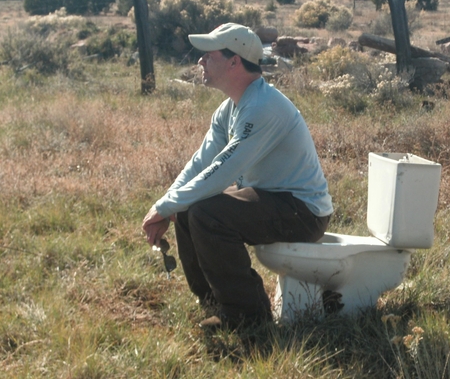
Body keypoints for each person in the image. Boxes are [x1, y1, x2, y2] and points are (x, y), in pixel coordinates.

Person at [141, 23, 333, 329]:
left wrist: (166, 208)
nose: (200, 60)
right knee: (190, 206)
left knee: (205, 212)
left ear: (234, 61)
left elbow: (222, 172)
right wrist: (167, 204)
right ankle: (215, 302)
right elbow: (200, 165)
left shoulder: (261, 107)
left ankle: (248, 318)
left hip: (303, 213)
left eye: (209, 55)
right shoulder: (230, 108)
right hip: (274, 200)